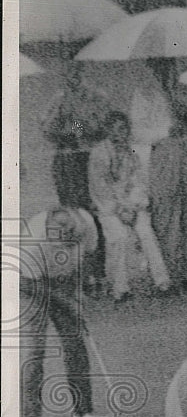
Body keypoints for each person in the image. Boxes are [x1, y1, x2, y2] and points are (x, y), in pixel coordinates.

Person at [20, 206, 100, 417]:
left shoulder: (86, 222)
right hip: (30, 285)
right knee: (35, 350)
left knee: (76, 344)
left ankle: (84, 410)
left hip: (64, 282)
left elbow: (88, 258)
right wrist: (70, 304)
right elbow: (34, 285)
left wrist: (81, 293)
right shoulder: (32, 239)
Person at [89, 111, 172, 302]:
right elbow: (99, 186)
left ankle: (162, 281)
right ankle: (120, 287)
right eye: (117, 129)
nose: (122, 133)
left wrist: (134, 205)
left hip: (132, 205)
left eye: (125, 128)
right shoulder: (99, 153)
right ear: (108, 130)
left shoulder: (131, 151)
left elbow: (138, 181)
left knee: (145, 232)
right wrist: (119, 209)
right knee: (119, 237)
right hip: (109, 208)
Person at [41, 64, 108, 293]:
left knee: (94, 214)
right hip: (66, 162)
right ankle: (77, 271)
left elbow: (101, 127)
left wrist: (76, 124)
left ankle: (98, 271)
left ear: (83, 72)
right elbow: (47, 129)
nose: (73, 77)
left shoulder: (96, 96)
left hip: (88, 160)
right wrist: (64, 120)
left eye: (77, 71)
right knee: (71, 215)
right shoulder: (58, 98)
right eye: (67, 72)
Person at [148, 108, 187, 290]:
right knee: (168, 229)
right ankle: (173, 275)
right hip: (165, 190)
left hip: (186, 182)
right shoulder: (160, 144)